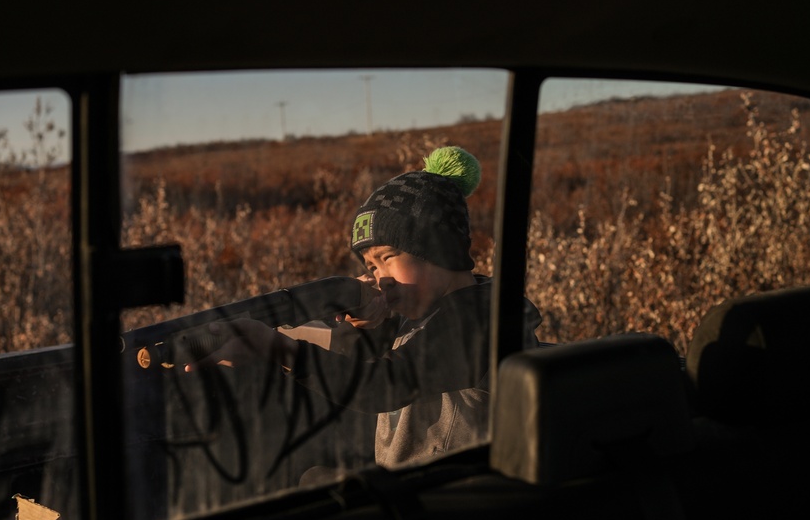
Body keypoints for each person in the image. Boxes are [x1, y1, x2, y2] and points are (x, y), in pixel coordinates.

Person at [186, 146, 543, 471]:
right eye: (372, 266)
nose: (381, 277)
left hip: (462, 494)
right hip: (414, 482)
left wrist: (279, 348)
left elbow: (385, 386)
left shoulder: (482, 318)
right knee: (311, 477)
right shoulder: (424, 312)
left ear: (440, 249)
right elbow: (363, 371)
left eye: (389, 258)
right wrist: (366, 330)